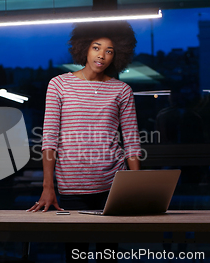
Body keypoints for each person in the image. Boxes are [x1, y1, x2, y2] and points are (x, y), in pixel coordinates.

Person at [26, 21, 142, 262]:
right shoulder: (59, 85)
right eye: (96, 47)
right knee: (75, 254)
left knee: (107, 256)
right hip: (71, 186)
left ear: (117, 54)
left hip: (113, 185)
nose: (102, 55)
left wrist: (137, 187)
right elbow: (49, 139)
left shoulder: (122, 90)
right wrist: (48, 187)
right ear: (84, 48)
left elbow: (131, 140)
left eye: (109, 50)